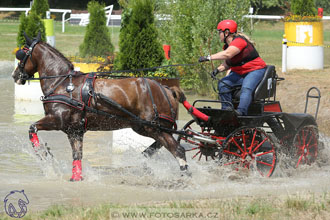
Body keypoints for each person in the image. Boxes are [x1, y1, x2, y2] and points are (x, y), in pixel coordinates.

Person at [198, 19, 266, 116]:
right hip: (240, 72)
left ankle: (240, 113)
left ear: (226, 33)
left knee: (246, 88)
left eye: (219, 32)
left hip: (255, 70)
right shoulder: (227, 46)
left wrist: (208, 58)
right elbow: (229, 63)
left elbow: (227, 55)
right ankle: (227, 111)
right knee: (223, 84)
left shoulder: (239, 41)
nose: (219, 35)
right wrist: (217, 70)